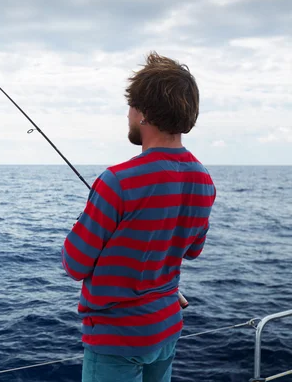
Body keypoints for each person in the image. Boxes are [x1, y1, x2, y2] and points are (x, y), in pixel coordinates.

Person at [62, 52, 216, 382]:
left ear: (144, 113)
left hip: (116, 339)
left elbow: (74, 263)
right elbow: (193, 249)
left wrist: (85, 217)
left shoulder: (116, 181)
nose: (128, 115)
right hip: (166, 330)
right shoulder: (203, 180)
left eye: (131, 106)